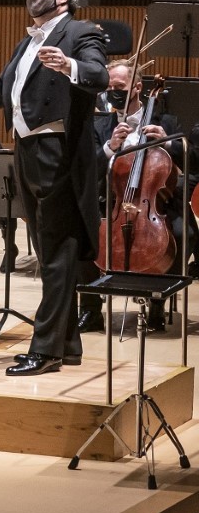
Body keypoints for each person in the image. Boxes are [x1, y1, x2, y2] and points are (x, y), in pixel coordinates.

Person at [0, 0, 108, 376]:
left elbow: (98, 76)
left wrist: (69, 65)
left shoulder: (79, 31)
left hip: (56, 151)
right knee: (54, 250)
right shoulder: (27, 41)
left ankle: (47, 349)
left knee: (55, 254)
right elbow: (3, 93)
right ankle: (66, 346)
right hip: (27, 151)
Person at [78, 59, 191, 332]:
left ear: (138, 87)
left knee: (181, 231)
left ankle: (156, 305)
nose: (113, 92)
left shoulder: (165, 121)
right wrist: (109, 147)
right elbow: (87, 172)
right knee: (83, 232)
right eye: (109, 87)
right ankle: (91, 310)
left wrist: (171, 143)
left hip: (155, 204)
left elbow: (190, 163)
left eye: (120, 86)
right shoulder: (99, 125)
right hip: (112, 202)